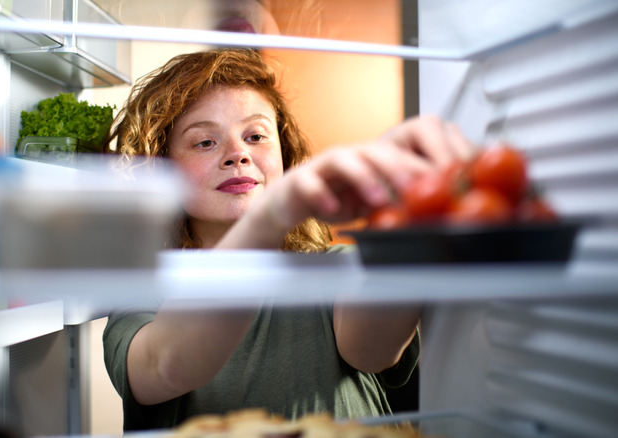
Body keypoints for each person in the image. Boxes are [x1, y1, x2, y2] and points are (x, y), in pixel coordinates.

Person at [102, 48, 473, 431]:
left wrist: (407, 206)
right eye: (204, 142)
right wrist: (274, 213)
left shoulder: (333, 265)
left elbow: (371, 352)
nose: (238, 154)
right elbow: (163, 366)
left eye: (256, 135)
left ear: (285, 155)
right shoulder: (145, 287)